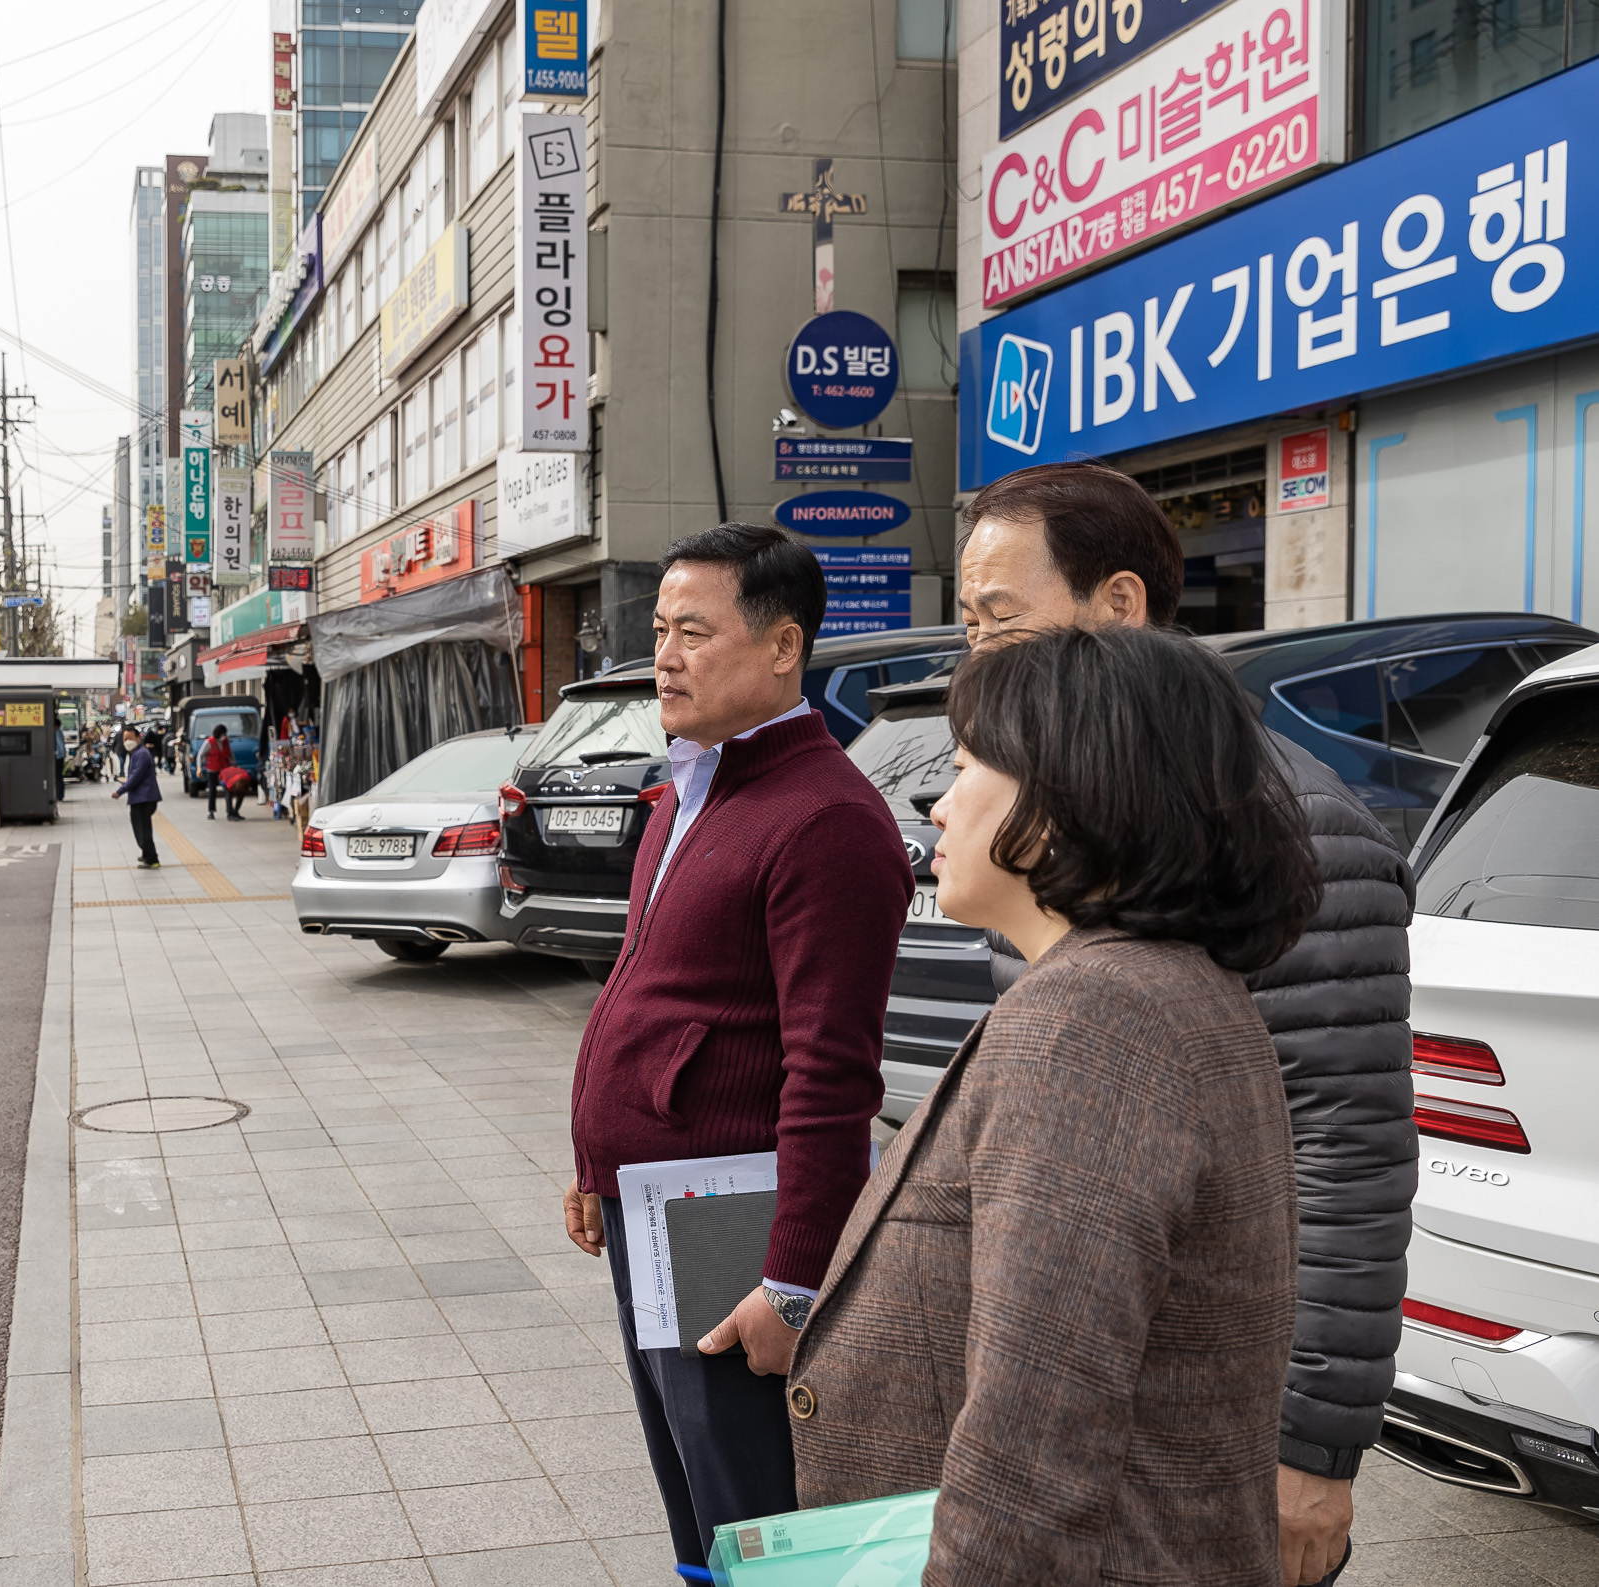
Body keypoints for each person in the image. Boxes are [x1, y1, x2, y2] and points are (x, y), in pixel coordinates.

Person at [954, 462, 1416, 1586]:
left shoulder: (1289, 822)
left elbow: (1347, 1146)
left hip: (1205, 1411)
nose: (975, 653)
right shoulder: (1064, 810)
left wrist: (1311, 1442)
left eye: (1000, 619)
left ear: (1117, 605)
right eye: (966, 623)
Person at [790, 624, 1319, 1582]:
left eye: (962, 769)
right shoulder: (1156, 985)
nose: (936, 805)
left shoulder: (1094, 1020)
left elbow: (1036, 1435)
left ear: (1063, 794)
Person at [564, 523, 912, 1562]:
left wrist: (794, 1277)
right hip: (654, 1203)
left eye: (695, 632)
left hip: (734, 1220)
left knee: (752, 1509)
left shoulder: (824, 820)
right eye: (660, 628)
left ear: (781, 647)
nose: (664, 655)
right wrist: (595, 1165)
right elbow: (650, 992)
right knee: (689, 1489)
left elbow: (830, 1071)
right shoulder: (685, 788)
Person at [114, 724, 162, 869]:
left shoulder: (141, 754)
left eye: (130, 738)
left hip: (144, 798)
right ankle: (147, 854)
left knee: (143, 829)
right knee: (140, 828)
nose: (127, 741)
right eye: (125, 739)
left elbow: (135, 777)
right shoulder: (138, 753)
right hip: (141, 798)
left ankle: (152, 858)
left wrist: (120, 791)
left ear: (137, 737)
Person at [199, 723, 233, 818]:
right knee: (212, 791)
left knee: (228, 789)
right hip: (213, 770)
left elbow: (230, 753)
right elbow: (200, 755)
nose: (224, 736)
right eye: (222, 734)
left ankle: (230, 811)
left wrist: (234, 764)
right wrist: (199, 768)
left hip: (225, 770)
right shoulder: (209, 742)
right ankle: (211, 811)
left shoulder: (226, 741)